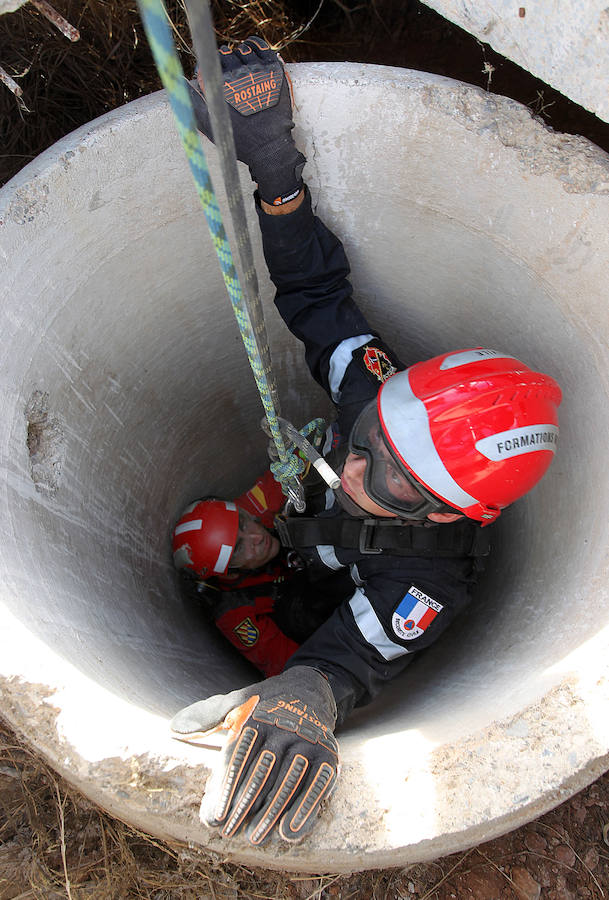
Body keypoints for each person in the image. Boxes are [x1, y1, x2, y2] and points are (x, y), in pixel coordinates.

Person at [170, 37, 562, 847]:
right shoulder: (374, 397)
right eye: (367, 439)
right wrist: (275, 173)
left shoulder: (424, 580)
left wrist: (310, 688)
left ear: (452, 515)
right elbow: (316, 296)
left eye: (385, 480)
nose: (347, 468)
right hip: (312, 554)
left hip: (326, 595)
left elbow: (358, 650)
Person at [172, 470, 348, 676]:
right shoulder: (236, 613)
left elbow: (295, 466)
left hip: (322, 564)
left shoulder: (242, 512)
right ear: (226, 572)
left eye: (244, 523)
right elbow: (290, 665)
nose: (256, 536)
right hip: (321, 615)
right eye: (239, 547)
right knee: (297, 614)